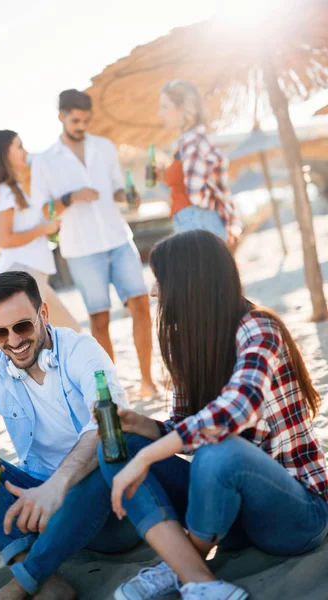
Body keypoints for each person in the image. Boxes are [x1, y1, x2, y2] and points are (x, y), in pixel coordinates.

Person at [97, 230, 328, 600]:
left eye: (161, 279)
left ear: (190, 283)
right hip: (232, 518)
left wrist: (149, 456)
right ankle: (195, 576)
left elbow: (234, 412)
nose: (154, 292)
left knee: (220, 450)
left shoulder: (259, 329)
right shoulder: (195, 341)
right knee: (120, 443)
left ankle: (182, 568)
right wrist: (146, 429)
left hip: (295, 517)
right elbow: (187, 429)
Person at [0, 271, 140, 600]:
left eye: (22, 326)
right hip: (41, 511)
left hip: (110, 514)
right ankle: (45, 579)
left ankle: (25, 580)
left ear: (43, 313)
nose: (13, 341)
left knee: (103, 457)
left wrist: (58, 486)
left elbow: (109, 420)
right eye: (0, 333)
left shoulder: (81, 350)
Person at [31, 89, 158, 399]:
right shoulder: (45, 161)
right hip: (81, 249)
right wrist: (70, 197)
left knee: (141, 305)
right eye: (76, 120)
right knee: (100, 319)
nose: (82, 125)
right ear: (60, 116)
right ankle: (113, 390)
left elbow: (116, 189)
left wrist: (128, 196)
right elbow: (43, 211)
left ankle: (147, 381)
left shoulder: (104, 147)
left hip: (118, 237)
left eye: (86, 120)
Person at [0, 129, 80, 331]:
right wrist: (42, 228)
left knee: (71, 333)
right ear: (4, 154)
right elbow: (5, 240)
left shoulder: (15, 189)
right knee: (40, 338)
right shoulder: (4, 191)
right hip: (24, 271)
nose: (25, 151)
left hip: (34, 273)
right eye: (19, 147)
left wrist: (47, 226)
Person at [158, 80, 242, 246]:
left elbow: (196, 195)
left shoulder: (191, 141)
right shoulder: (192, 141)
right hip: (198, 220)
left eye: (165, 107)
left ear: (182, 108)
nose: (160, 113)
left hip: (196, 221)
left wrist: (207, 208)